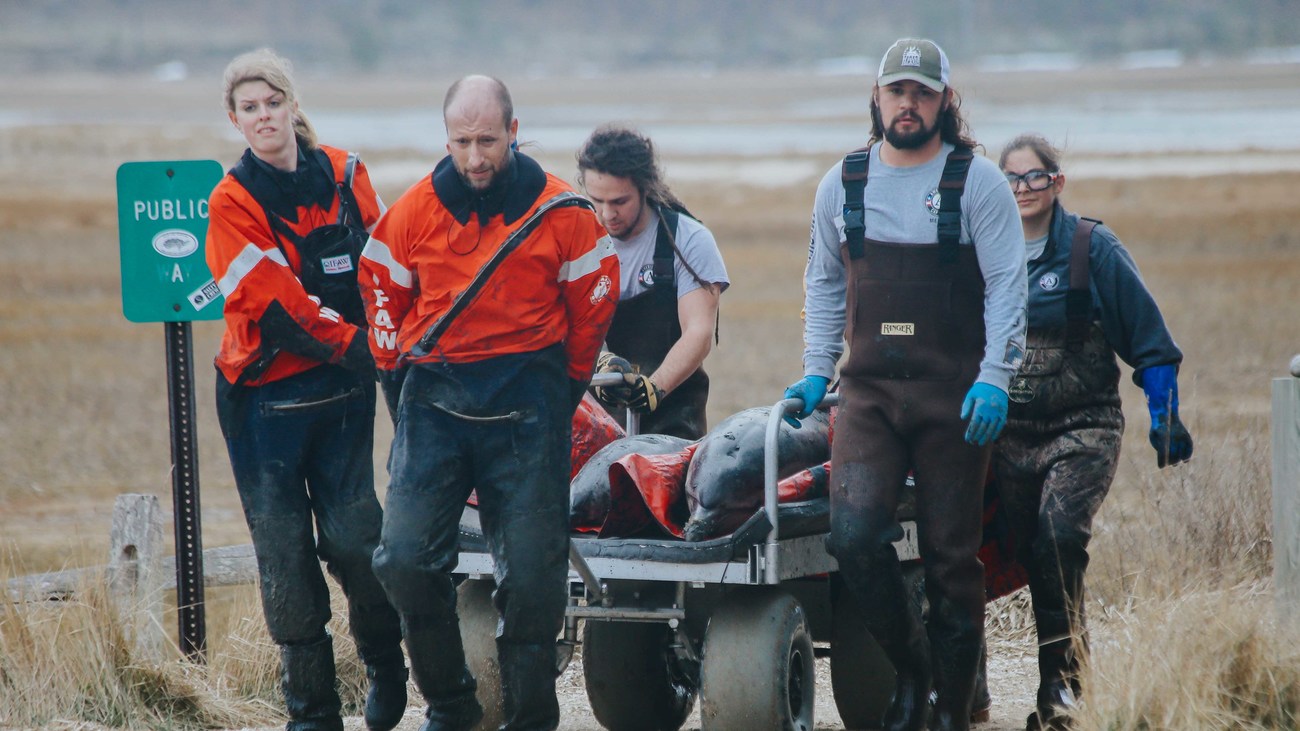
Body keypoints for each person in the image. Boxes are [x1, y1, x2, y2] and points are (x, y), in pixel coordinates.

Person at [359, 75, 619, 731]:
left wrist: (564, 388)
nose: (475, 157)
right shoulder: (414, 210)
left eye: (487, 140)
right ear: (445, 138)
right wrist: (396, 380)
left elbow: (592, 303)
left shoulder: (565, 211)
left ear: (513, 129)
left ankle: (531, 718)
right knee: (403, 559)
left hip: (530, 403)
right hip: (434, 402)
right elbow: (381, 288)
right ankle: (451, 704)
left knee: (532, 578)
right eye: (461, 141)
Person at [782, 38, 1027, 731]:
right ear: (877, 97)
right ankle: (913, 673)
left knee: (953, 557)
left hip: (955, 400)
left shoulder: (976, 183)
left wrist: (996, 378)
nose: (909, 104)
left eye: (923, 93)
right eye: (898, 92)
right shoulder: (844, 182)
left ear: (945, 101)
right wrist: (813, 368)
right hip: (867, 397)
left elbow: (1009, 287)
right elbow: (824, 283)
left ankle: (953, 706)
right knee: (853, 536)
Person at [205, 49, 407, 731]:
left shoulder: (349, 175)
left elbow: (385, 266)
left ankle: (386, 670)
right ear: (235, 120)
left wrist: (395, 336)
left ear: (293, 105)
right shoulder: (231, 201)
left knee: (357, 539)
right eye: (250, 108)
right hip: (262, 399)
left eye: (273, 103)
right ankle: (313, 713)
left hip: (343, 391)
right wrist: (363, 346)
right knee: (286, 553)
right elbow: (277, 303)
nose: (264, 117)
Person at [995, 133, 1192, 730]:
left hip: (1083, 428)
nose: (1023, 189)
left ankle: (1062, 690)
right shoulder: (986, 252)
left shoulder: (1091, 248)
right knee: (997, 549)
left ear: (1057, 182)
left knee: (1057, 540)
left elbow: (1149, 339)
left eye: (1034, 178)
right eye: (1010, 179)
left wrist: (1164, 414)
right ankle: (962, 678)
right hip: (1006, 433)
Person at [576, 124, 729, 440]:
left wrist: (654, 388)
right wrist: (601, 363)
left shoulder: (688, 241)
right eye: (597, 200)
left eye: (619, 201)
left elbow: (698, 332)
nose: (606, 214)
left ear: (645, 187)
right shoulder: (577, 242)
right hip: (591, 427)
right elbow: (566, 324)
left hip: (673, 426)